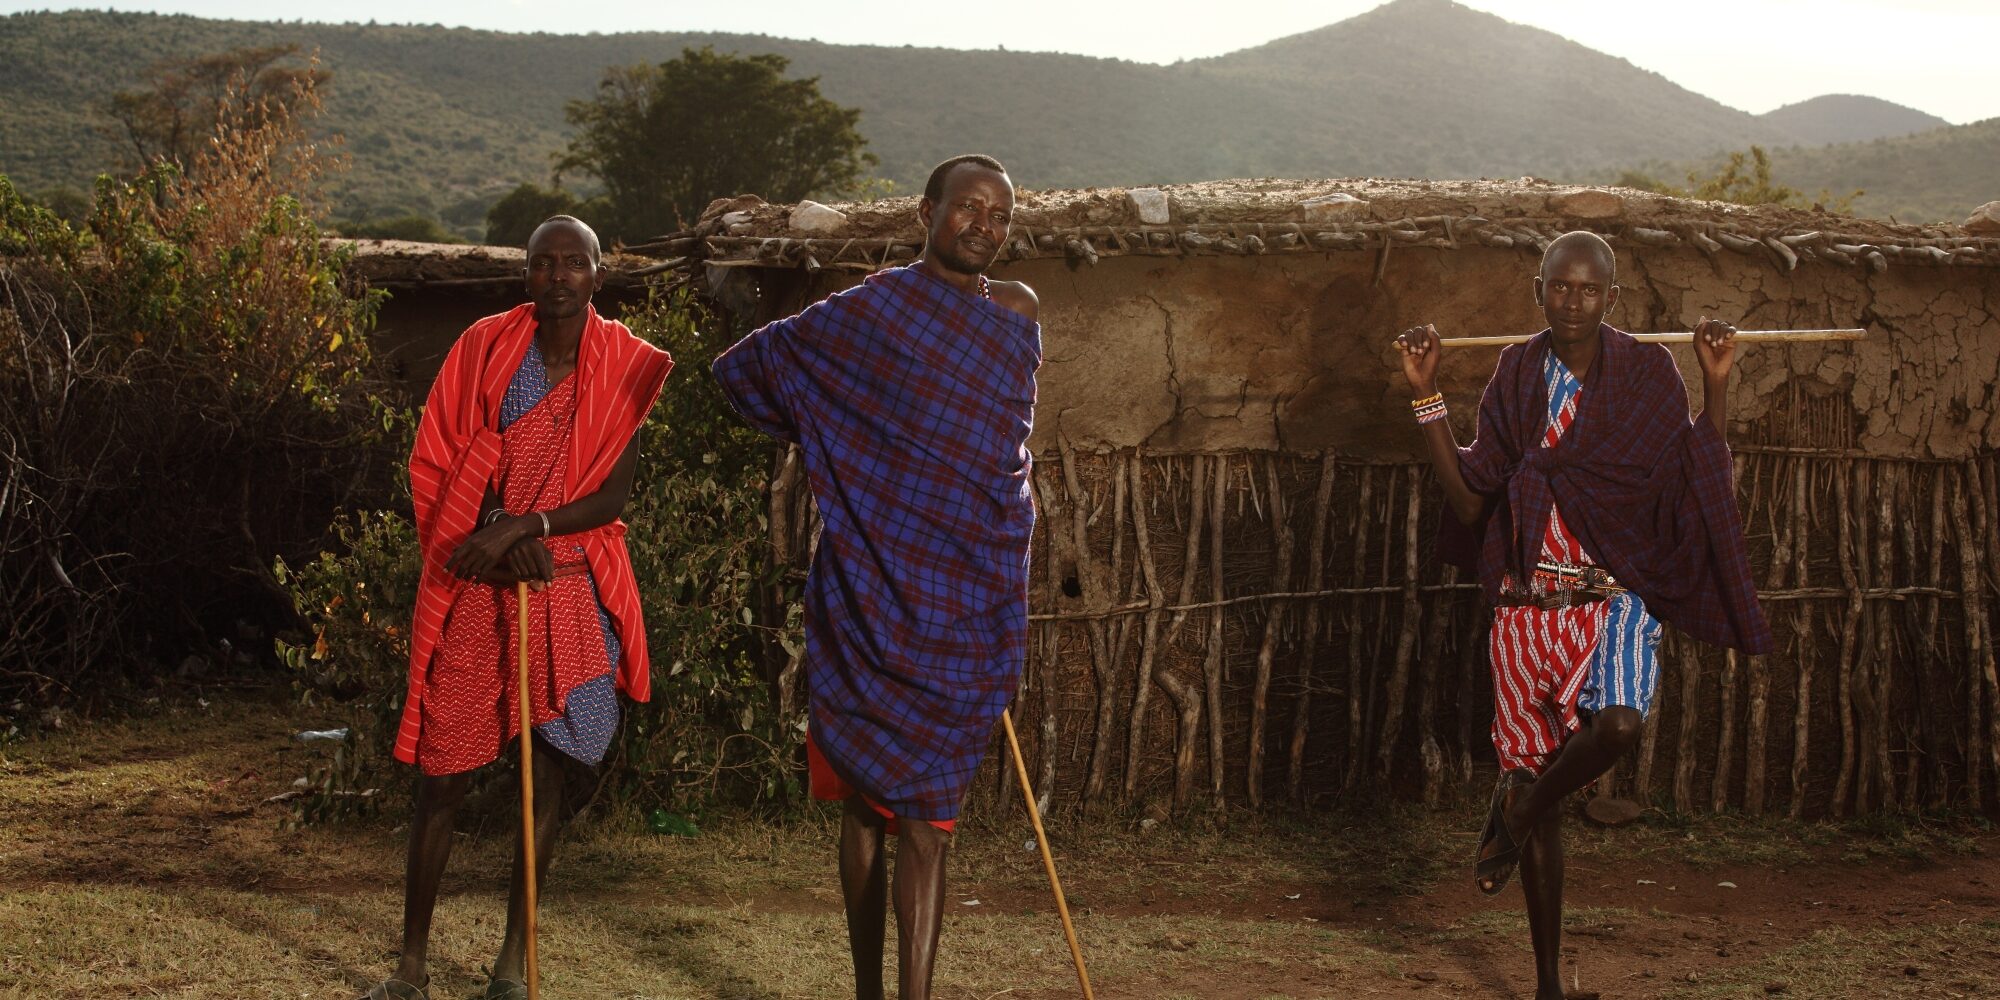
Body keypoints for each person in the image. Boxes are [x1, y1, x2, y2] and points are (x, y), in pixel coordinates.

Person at [1394, 231, 1772, 1000]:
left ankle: (1518, 809)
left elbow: (1692, 473)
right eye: (1559, 287)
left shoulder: (1647, 372)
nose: (1573, 301)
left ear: (1612, 298)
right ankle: (1547, 986)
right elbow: (1468, 500)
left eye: (1588, 289)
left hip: (1611, 601)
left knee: (1620, 725)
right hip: (1525, 608)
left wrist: (1716, 384)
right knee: (1544, 798)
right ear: (1538, 290)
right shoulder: (1515, 372)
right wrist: (1425, 393)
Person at [712, 154, 1040, 1000]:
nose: (985, 225)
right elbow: (748, 369)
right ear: (926, 212)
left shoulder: (1014, 313)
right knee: (864, 809)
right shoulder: (868, 311)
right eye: (968, 207)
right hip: (870, 594)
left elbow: (1003, 451)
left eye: (1000, 215)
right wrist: (841, 440)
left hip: (966, 601)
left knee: (930, 824)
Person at [360, 216, 673, 1000]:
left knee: (544, 777)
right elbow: (440, 460)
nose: (558, 277)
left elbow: (611, 496)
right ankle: (410, 968)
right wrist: (495, 537)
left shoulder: (624, 366)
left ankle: (509, 967)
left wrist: (528, 527)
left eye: (574, 263)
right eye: (543, 264)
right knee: (442, 778)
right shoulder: (484, 348)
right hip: (480, 577)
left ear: (598, 274)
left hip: (564, 580)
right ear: (525, 274)